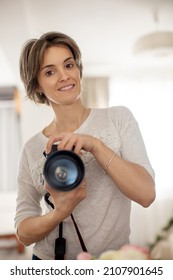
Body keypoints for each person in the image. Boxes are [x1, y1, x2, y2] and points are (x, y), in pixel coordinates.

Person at [14, 31, 155, 260]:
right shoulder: (32, 149)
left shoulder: (118, 119)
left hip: (112, 262)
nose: (64, 76)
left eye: (69, 65)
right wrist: (59, 212)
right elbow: (24, 232)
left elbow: (146, 194)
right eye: (50, 71)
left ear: (78, 69)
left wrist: (96, 145)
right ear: (37, 85)